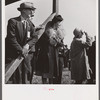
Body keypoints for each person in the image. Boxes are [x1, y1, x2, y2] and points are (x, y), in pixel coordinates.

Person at [5, 2, 38, 84]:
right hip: (14, 55)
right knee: (16, 78)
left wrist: (27, 45)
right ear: (23, 10)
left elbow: (35, 37)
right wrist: (21, 50)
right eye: (30, 10)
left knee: (26, 77)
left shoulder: (30, 24)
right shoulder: (13, 22)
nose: (32, 12)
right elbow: (11, 38)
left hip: (25, 57)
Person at [35, 15, 64, 84]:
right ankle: (44, 86)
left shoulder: (58, 32)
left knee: (52, 71)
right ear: (55, 22)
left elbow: (61, 43)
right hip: (46, 53)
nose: (59, 24)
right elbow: (40, 42)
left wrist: (59, 42)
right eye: (59, 22)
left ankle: (51, 85)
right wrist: (49, 40)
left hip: (54, 53)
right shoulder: (46, 31)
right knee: (45, 71)